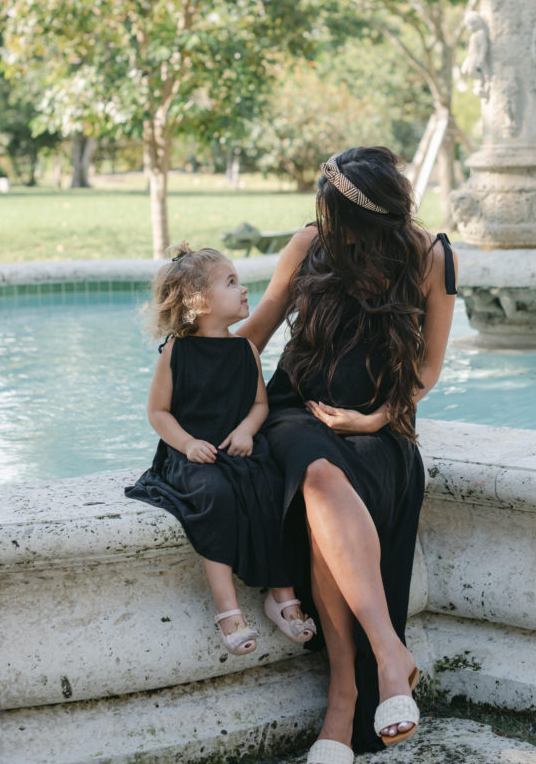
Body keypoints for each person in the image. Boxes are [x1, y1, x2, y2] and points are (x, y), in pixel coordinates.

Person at [239, 147, 457, 763]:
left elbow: (426, 368)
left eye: (335, 214)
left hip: (377, 428)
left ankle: (345, 699)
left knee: (330, 481)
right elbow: (254, 336)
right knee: (314, 466)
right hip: (295, 412)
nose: (325, 225)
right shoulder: (308, 245)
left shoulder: (430, 256)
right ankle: (387, 658)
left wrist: (377, 418)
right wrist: (190, 360)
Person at [125, 243, 316, 654]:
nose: (244, 289)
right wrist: (188, 443)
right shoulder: (177, 352)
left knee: (272, 487)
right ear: (199, 302)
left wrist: (248, 431)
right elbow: (158, 412)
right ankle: (228, 608)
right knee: (215, 495)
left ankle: (282, 595)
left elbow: (259, 403)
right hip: (191, 457)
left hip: (238, 449)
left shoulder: (245, 349)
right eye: (231, 282)